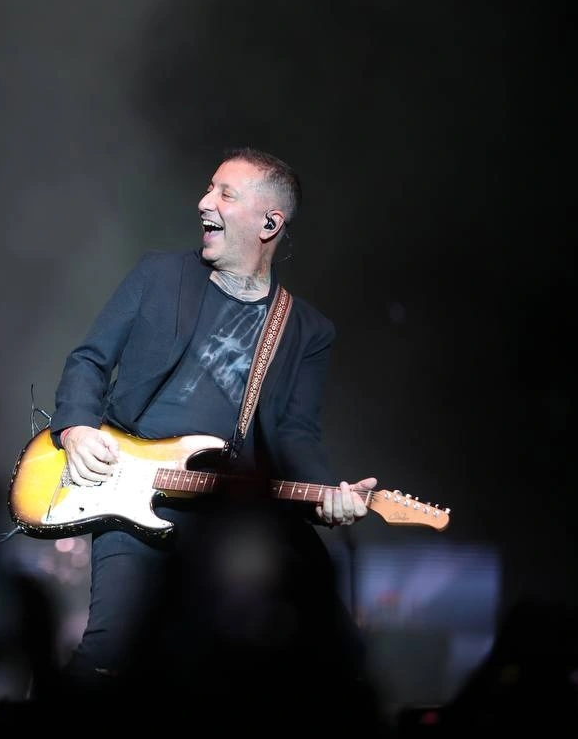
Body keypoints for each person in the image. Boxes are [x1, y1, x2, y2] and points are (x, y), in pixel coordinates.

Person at [47, 147, 380, 708]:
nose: (205, 202)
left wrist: (328, 493)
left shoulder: (305, 330)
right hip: (135, 496)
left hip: (233, 515)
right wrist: (78, 427)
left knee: (336, 657)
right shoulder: (159, 274)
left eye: (225, 194)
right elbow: (89, 360)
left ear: (269, 222)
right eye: (209, 188)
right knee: (109, 653)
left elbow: (297, 433)